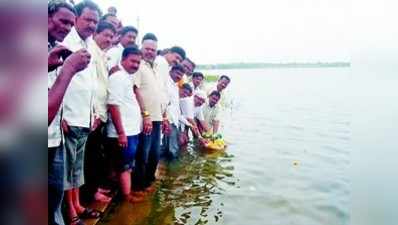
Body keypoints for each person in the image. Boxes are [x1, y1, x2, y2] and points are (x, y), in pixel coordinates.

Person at [60, 1, 102, 224]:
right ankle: (70, 211)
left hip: (85, 117)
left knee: (77, 167)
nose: (92, 25)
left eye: (95, 21)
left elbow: (92, 82)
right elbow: (55, 78)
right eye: (88, 19)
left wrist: (94, 111)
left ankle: (78, 204)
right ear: (76, 18)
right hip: (69, 116)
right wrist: (61, 114)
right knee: (67, 168)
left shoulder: (90, 45)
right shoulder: (66, 41)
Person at [131, 33, 171, 194]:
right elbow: (135, 89)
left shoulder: (156, 67)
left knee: (155, 153)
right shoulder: (138, 66)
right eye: (147, 48)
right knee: (143, 153)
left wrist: (165, 116)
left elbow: (160, 93)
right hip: (144, 118)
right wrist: (145, 114)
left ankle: (148, 182)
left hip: (158, 118)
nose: (150, 52)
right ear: (141, 47)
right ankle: (138, 186)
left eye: (153, 49)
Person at [82, 21, 116, 204]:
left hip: (101, 114)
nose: (109, 39)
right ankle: (89, 194)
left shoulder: (103, 55)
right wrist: (94, 112)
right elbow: (90, 84)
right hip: (93, 114)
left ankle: (94, 188)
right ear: (96, 34)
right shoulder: (91, 52)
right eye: (106, 35)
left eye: (112, 37)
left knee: (95, 156)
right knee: (89, 158)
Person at [106, 46, 144, 202]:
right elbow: (113, 105)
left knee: (125, 165)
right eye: (132, 61)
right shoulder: (118, 77)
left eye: (138, 62)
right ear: (123, 59)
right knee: (124, 166)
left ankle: (124, 193)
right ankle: (126, 197)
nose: (135, 65)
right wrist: (121, 132)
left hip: (130, 131)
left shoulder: (127, 77)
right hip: (122, 132)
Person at [48, 0, 91, 125]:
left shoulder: (56, 48)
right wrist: (70, 67)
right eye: (63, 21)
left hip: (56, 135)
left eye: (71, 25)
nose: (67, 28)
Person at [161, 64, 185, 160]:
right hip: (168, 120)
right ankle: (174, 170)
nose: (179, 77)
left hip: (174, 121)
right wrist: (165, 119)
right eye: (177, 73)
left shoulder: (175, 86)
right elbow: (164, 103)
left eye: (181, 75)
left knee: (168, 147)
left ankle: (167, 170)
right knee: (172, 149)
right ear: (171, 71)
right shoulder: (166, 83)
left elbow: (176, 107)